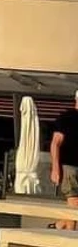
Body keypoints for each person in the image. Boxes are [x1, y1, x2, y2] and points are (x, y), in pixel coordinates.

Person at [51, 90, 78, 224]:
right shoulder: (66, 118)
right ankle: (70, 234)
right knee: (74, 203)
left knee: (73, 208)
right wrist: (55, 168)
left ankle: (59, 227)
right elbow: (55, 143)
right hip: (69, 166)